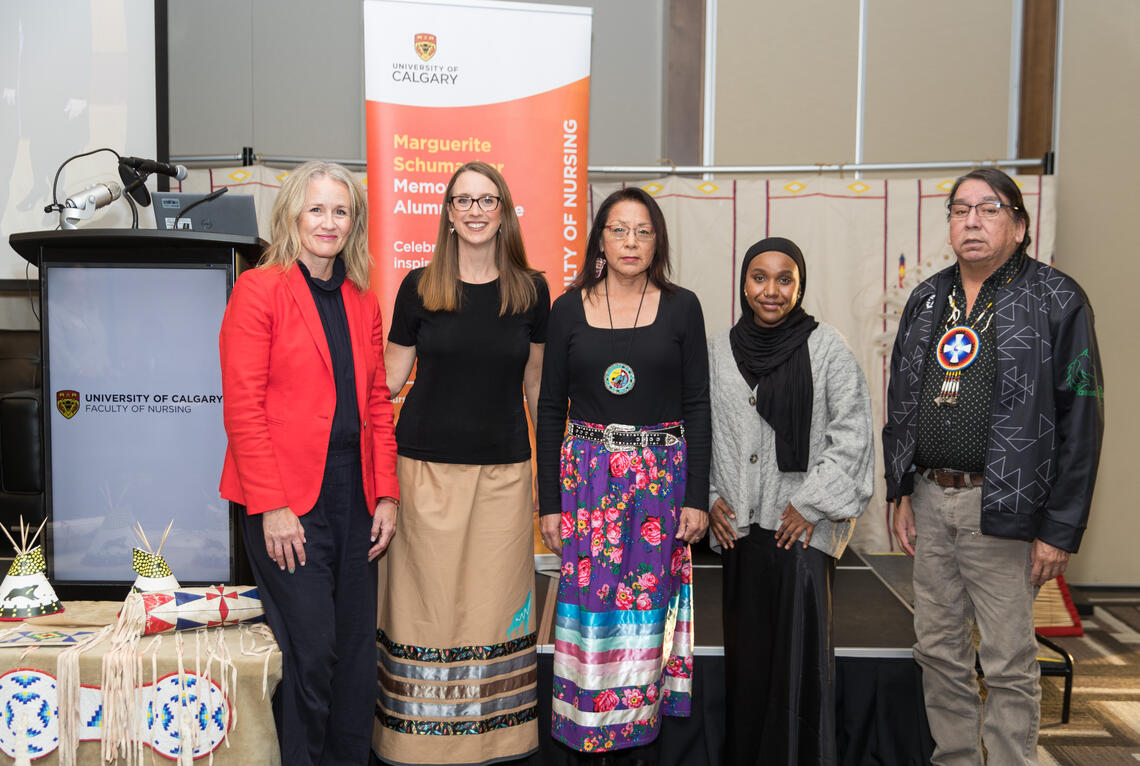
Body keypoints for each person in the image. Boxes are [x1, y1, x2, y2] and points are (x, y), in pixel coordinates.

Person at [883, 168, 1104, 765]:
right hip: (930, 499)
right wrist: (898, 489)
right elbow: (902, 398)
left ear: (1019, 224)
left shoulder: (1057, 298)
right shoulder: (928, 298)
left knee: (1007, 660)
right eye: (960, 210)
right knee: (938, 650)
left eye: (988, 209)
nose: (972, 221)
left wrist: (1058, 527)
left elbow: (1082, 418)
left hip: (1007, 506)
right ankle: (955, 759)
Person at [219, 160, 399, 766]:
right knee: (312, 652)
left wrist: (388, 496)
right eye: (317, 209)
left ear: (355, 222)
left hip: (355, 495)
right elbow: (242, 406)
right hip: (285, 500)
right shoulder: (259, 290)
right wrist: (272, 505)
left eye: (340, 210)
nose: (329, 222)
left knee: (353, 659)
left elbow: (377, 401)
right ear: (294, 214)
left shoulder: (363, 300)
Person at [375, 160, 549, 765]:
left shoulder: (532, 290)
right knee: (423, 612)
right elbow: (388, 382)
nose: (475, 210)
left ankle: (490, 743)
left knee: (492, 612)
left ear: (504, 212)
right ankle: (413, 746)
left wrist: (546, 486)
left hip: (505, 477)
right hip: (422, 474)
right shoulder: (418, 287)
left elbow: (537, 392)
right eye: (463, 200)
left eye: (487, 199)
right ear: (448, 215)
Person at [536, 187, 711, 761]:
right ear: (600, 240)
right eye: (619, 229)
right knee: (592, 609)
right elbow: (547, 408)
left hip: (660, 486)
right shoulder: (567, 308)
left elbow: (698, 407)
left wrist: (696, 498)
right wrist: (549, 504)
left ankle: (639, 730)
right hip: (587, 486)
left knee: (645, 607)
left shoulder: (682, 306)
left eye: (643, 231)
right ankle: (586, 726)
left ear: (657, 240)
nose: (631, 242)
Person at [707, 237, 874, 765]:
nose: (771, 290)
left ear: (800, 286)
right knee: (749, 671)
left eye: (785, 279)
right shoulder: (717, 350)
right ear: (743, 283)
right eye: (760, 277)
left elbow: (853, 436)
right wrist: (710, 497)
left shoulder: (827, 347)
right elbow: (698, 434)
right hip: (739, 534)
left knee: (797, 676)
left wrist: (810, 504)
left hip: (801, 532)